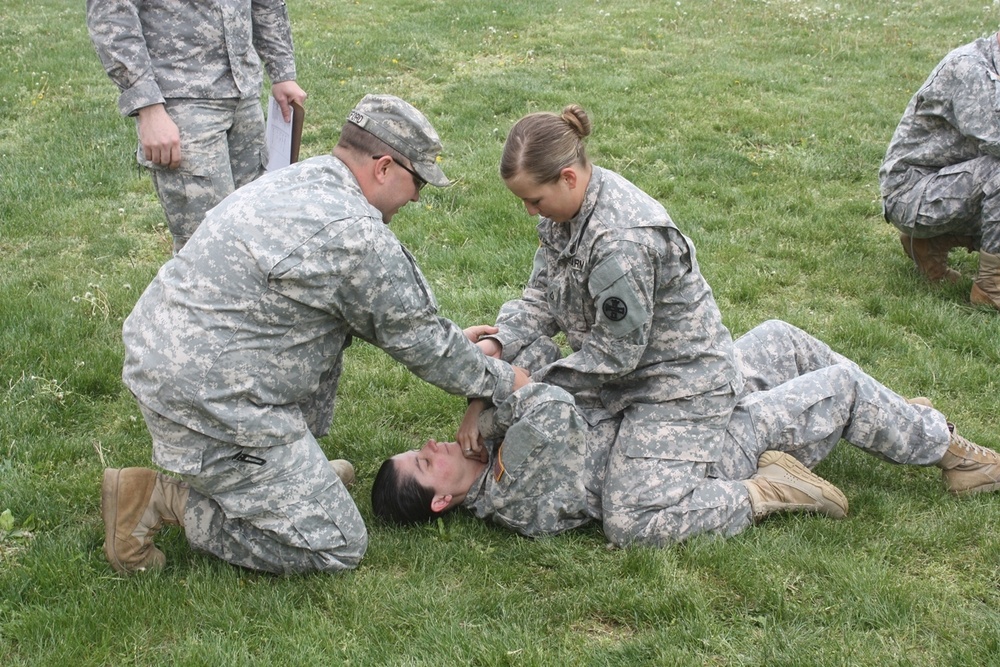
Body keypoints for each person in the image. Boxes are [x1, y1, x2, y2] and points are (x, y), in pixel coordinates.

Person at [101, 94, 530, 576]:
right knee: (336, 546)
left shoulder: (298, 180)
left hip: (171, 356)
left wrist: (442, 338)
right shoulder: (357, 235)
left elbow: (385, 317)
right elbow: (424, 343)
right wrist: (503, 380)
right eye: (418, 184)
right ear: (385, 167)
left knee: (305, 491)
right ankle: (162, 501)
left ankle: (287, 483)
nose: (416, 198)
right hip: (212, 396)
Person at [372, 320, 1000, 541]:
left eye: (419, 448)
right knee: (838, 390)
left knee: (779, 338)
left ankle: (896, 418)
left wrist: (500, 353)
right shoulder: (508, 490)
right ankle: (951, 451)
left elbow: (538, 358)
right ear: (442, 500)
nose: (432, 447)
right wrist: (486, 395)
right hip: (692, 450)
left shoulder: (489, 454)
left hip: (667, 408)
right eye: (425, 463)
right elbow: (553, 406)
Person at [466, 104, 747, 547]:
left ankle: (763, 490)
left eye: (533, 199)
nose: (528, 211)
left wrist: (521, 388)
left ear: (568, 178)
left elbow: (614, 354)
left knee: (631, 521)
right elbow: (540, 296)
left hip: (675, 385)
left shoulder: (620, 242)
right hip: (623, 380)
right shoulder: (566, 213)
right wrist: (499, 346)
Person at [86, 0, 308, 254]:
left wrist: (282, 72)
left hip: (243, 94)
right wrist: (147, 106)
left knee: (257, 231)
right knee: (206, 249)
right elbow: (112, 12)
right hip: (182, 103)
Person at [879, 31, 1000, 309]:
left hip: (953, 182)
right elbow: (996, 140)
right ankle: (991, 289)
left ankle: (931, 243)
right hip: (912, 194)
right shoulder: (969, 68)